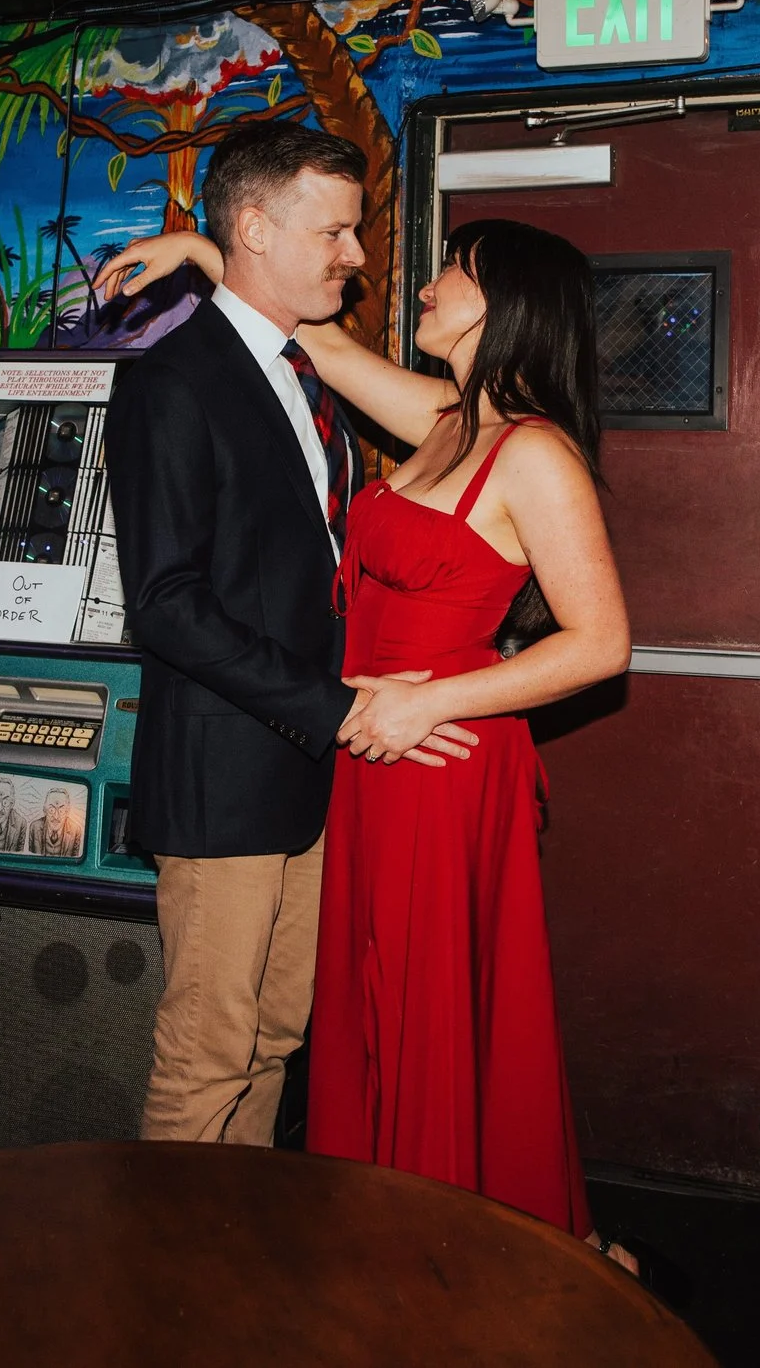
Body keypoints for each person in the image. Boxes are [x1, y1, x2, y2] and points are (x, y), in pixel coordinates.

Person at [97, 215, 636, 1263]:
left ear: (501, 302)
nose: (422, 286)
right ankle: (367, 1244)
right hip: (358, 756)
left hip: (436, 764)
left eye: (450, 272)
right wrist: (213, 256)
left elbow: (602, 643)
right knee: (357, 1014)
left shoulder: (534, 454)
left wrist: (430, 704)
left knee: (428, 1012)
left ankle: (452, 1257)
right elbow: (321, 346)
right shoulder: (443, 418)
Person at [103, 122, 475, 1150]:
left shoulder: (297, 367)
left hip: (303, 771)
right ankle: (166, 1297)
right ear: (258, 228)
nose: (356, 254)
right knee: (207, 1053)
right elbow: (166, 603)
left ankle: (235, 1262)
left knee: (273, 1038)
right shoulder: (170, 378)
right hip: (227, 775)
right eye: (337, 230)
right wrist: (338, 705)